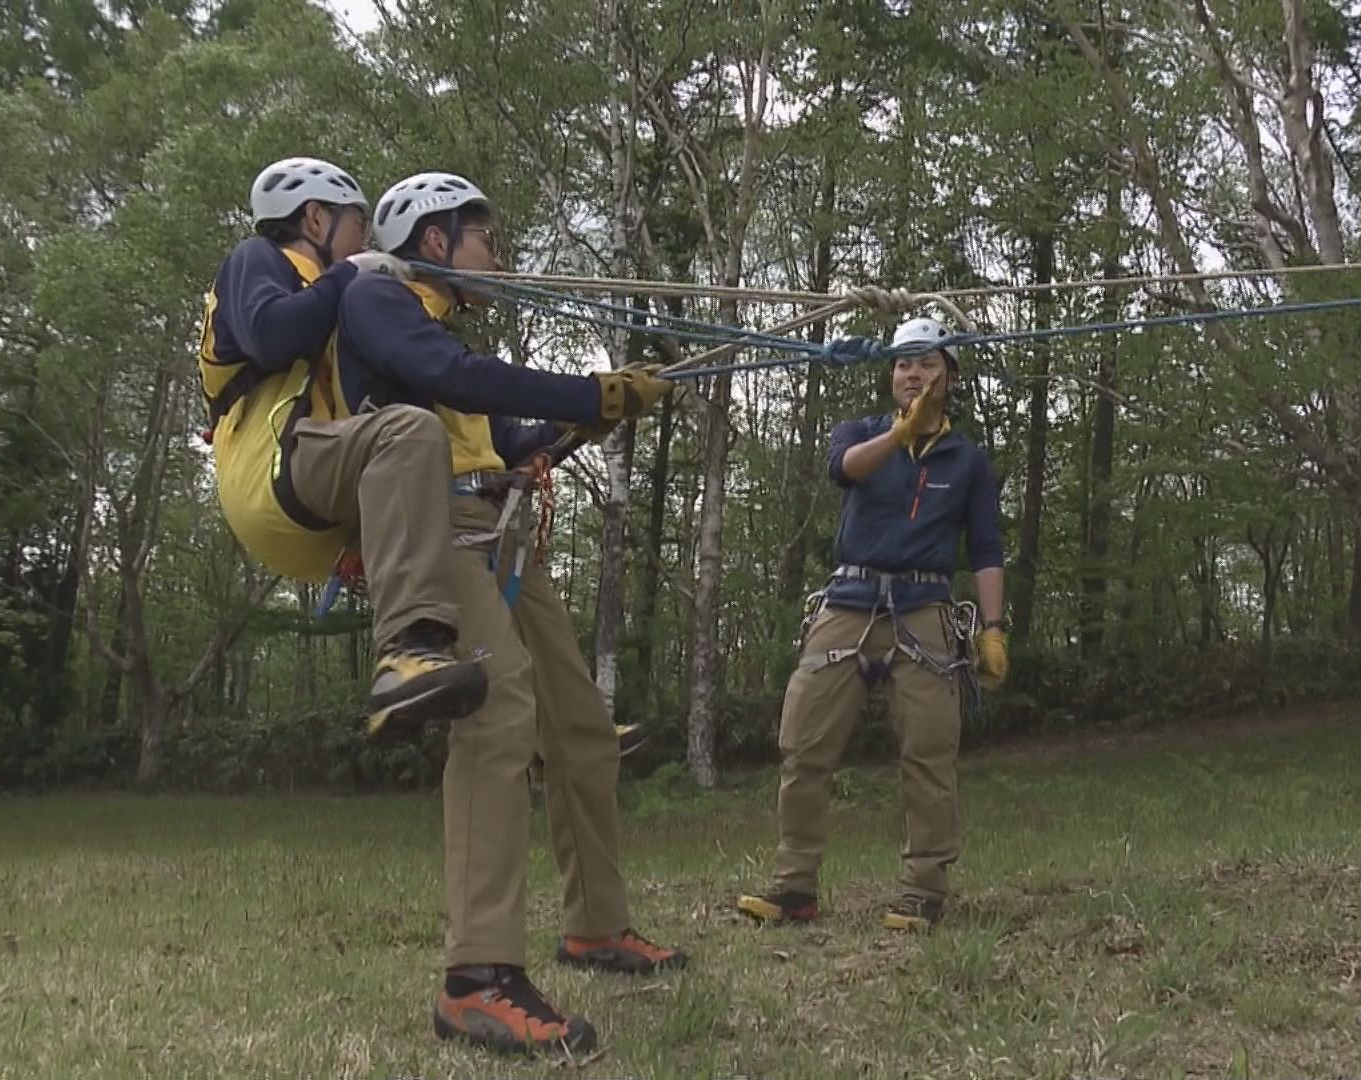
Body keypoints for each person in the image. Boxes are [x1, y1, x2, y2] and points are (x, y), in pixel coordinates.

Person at [333, 170, 686, 1057]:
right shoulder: (378, 298)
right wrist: (585, 391)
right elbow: (440, 376)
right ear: (435, 239)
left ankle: (596, 927)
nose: (497, 252)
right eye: (483, 235)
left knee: (580, 728)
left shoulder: (444, 343)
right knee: (498, 715)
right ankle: (476, 979)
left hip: (499, 532)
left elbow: (507, 438)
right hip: (437, 536)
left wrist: (599, 412)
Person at [198, 156, 492, 739]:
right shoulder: (256, 259)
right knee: (407, 431)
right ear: (315, 219)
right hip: (270, 462)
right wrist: (347, 275)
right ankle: (407, 651)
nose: (368, 238)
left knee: (410, 445)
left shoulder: (332, 297)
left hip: (306, 493)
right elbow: (271, 335)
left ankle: (500, 706)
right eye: (357, 223)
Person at [735, 316, 1008, 933]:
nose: (913, 373)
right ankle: (794, 885)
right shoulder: (860, 432)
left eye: (927, 363)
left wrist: (993, 627)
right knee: (803, 743)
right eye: (903, 364)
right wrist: (899, 435)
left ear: (950, 378)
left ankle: (924, 889)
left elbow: (987, 549)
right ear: (890, 377)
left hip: (924, 609)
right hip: (849, 601)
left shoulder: (967, 461)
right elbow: (846, 469)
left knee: (929, 751)